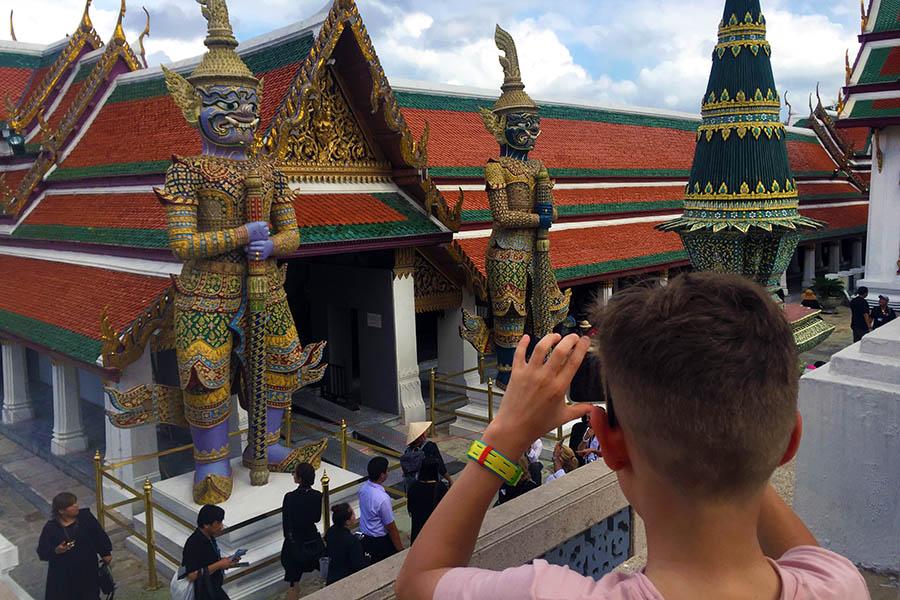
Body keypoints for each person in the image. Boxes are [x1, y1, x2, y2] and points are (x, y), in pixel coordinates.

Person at [396, 272, 869, 600]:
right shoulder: (838, 585)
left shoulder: (543, 592)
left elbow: (418, 583)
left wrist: (504, 435)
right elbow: (805, 557)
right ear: (791, 440)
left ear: (611, 444)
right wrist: (737, 439)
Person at [37, 492, 112, 600]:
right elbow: (42, 552)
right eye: (71, 505)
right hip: (64, 573)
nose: (76, 506)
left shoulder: (85, 518)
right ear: (61, 511)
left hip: (87, 568)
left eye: (76, 503)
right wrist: (56, 551)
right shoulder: (51, 529)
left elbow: (98, 534)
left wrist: (105, 552)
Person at [281, 462, 324, 599]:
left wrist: (290, 542)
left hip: (295, 541)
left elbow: (286, 523)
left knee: (293, 583)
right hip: (312, 539)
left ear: (299, 478)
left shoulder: (290, 497)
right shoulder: (317, 495)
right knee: (324, 568)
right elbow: (317, 518)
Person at [182, 504, 240, 600]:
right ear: (206, 524)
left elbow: (208, 562)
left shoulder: (209, 537)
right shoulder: (193, 543)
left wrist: (227, 561)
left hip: (214, 588)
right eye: (218, 523)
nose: (221, 526)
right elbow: (191, 575)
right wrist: (220, 564)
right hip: (203, 593)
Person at [358, 457, 403, 563]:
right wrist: (400, 549)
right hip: (380, 541)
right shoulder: (382, 499)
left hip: (366, 538)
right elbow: (391, 527)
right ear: (382, 475)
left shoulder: (363, 489)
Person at [407, 457, 449, 543]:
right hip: (434, 531)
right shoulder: (441, 487)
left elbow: (410, 510)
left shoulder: (413, 487)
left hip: (417, 531)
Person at [324, 503, 368, 585]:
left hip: (332, 575)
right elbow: (358, 565)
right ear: (347, 521)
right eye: (353, 514)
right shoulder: (352, 541)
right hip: (345, 579)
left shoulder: (330, 531)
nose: (355, 515)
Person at [401, 422, 452, 492]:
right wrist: (450, 479)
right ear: (422, 435)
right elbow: (440, 465)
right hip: (430, 484)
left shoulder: (408, 451)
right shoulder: (430, 446)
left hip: (413, 486)